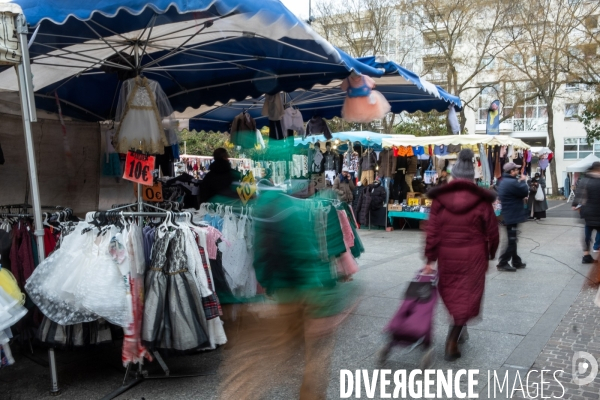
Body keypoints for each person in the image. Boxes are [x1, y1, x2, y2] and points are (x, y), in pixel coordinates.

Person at [423, 149, 499, 361]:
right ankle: (452, 341)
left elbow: (433, 231)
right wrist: (491, 254)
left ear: (454, 176)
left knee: (455, 294)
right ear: (472, 177)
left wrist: (430, 259)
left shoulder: (440, 199)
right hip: (474, 256)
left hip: (447, 255)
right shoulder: (482, 200)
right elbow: (493, 232)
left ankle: (458, 330)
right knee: (467, 295)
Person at [496, 162, 529, 271]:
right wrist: (524, 181)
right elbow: (524, 192)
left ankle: (516, 261)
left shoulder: (504, 181)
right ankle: (502, 263)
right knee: (511, 240)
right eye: (516, 170)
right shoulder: (511, 182)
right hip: (511, 215)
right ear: (511, 172)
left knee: (513, 239)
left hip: (509, 215)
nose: (518, 171)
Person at [572, 161, 600, 264]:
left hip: (587, 211)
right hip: (597, 211)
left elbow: (579, 194)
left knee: (587, 233)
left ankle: (586, 255)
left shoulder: (585, 180)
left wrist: (574, 204)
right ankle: (596, 248)